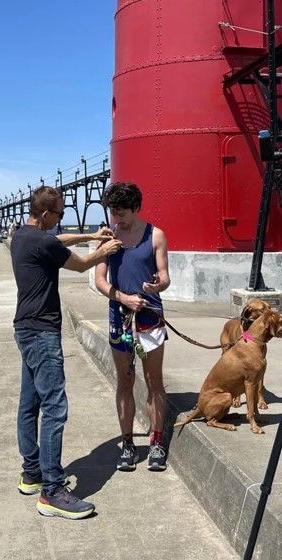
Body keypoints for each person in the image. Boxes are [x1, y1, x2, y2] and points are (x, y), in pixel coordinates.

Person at [11, 185, 122, 519]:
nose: (61, 221)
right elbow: (81, 264)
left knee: (29, 405)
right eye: (59, 215)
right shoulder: (42, 241)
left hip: (24, 328)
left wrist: (89, 233)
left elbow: (56, 241)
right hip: (42, 334)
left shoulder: (21, 235)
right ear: (46, 215)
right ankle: (52, 492)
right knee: (55, 408)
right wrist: (107, 247)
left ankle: (32, 473)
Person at [93, 181, 171, 471]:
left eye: (122, 213)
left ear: (137, 208)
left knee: (154, 381)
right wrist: (122, 297)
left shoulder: (156, 235)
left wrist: (155, 285)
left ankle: (156, 441)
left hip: (150, 315)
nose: (117, 219)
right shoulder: (107, 239)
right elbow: (101, 280)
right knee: (124, 381)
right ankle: (127, 443)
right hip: (119, 316)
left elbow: (165, 276)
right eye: (113, 212)